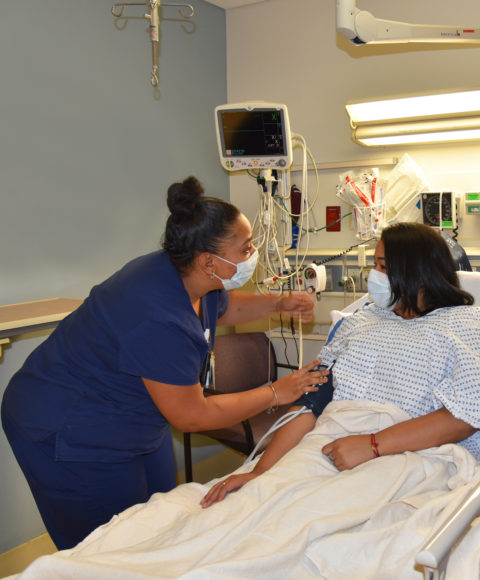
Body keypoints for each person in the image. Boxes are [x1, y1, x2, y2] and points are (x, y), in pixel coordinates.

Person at [1, 176, 329, 550]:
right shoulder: (156, 315)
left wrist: (276, 303)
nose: (252, 254)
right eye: (246, 248)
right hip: (67, 425)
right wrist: (275, 392)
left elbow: (223, 308)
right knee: (111, 549)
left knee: (159, 520)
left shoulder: (188, 273)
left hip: (131, 416)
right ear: (210, 262)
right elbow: (192, 416)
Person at [201, 222, 480, 507]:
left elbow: (466, 416)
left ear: (416, 272)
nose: (373, 276)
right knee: (262, 500)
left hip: (414, 454)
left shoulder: (466, 326)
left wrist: (373, 445)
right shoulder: (363, 320)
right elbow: (313, 402)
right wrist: (262, 472)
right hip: (331, 442)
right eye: (375, 265)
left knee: (323, 513)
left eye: (383, 267)